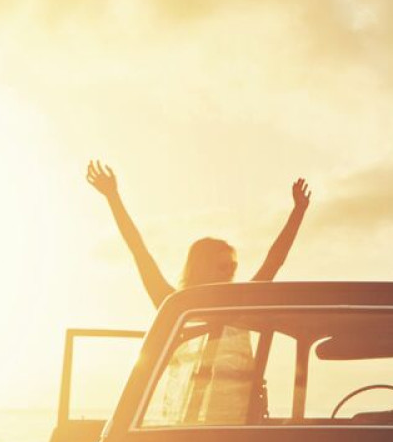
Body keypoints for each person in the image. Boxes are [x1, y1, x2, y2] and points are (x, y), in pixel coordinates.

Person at [85, 160, 311, 424]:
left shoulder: (242, 305)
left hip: (238, 431)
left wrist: (298, 212)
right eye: (223, 266)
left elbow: (274, 261)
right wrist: (113, 197)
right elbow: (139, 251)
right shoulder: (177, 305)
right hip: (187, 431)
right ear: (202, 268)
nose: (231, 272)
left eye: (233, 266)